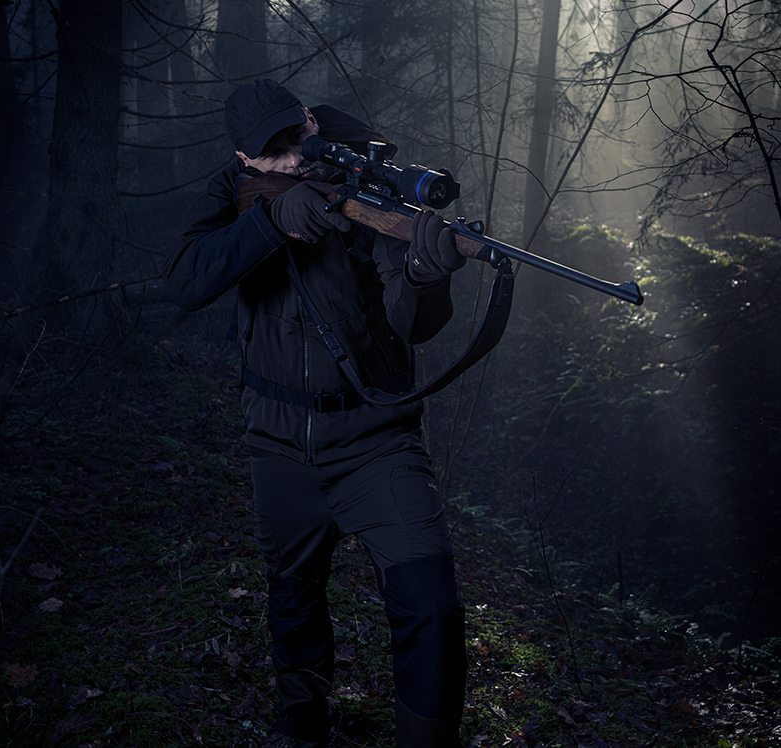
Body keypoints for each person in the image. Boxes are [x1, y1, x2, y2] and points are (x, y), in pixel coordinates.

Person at [164, 79, 468, 748]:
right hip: (275, 439)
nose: (295, 159)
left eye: (296, 137)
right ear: (245, 162)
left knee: (431, 602)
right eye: (273, 155)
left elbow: (414, 326)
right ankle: (300, 722)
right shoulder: (231, 194)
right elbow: (186, 281)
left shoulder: (369, 179)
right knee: (293, 592)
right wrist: (271, 221)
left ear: (309, 120)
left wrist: (425, 273)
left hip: (375, 438)